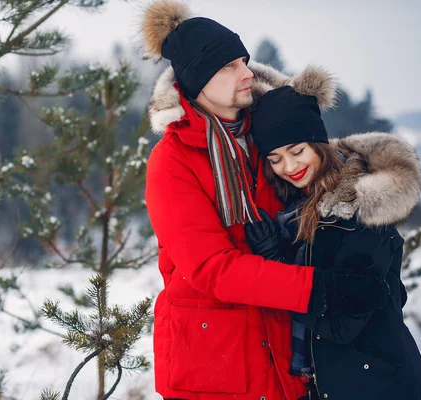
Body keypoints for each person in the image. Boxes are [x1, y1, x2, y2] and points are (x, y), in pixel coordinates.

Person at [140, 1, 400, 399]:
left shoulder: (265, 136)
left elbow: (322, 181)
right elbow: (211, 268)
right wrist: (319, 290)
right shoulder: (172, 162)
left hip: (283, 349)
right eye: (229, 66)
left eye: (243, 61)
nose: (246, 72)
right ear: (197, 80)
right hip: (214, 362)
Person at [245, 85, 421, 400]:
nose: (289, 167)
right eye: (275, 158)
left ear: (318, 144)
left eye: (297, 151)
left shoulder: (358, 213)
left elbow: (342, 325)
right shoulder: (307, 209)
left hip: (383, 388)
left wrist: (276, 264)